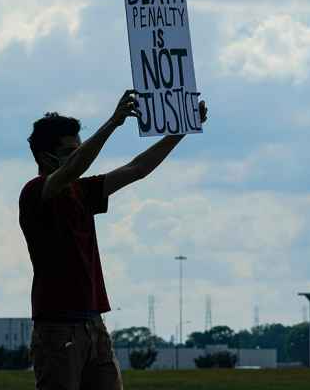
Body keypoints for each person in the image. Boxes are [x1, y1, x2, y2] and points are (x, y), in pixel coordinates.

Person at [19, 89, 207, 389]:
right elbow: (75, 167)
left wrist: (182, 129)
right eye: (71, 150)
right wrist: (112, 123)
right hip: (57, 328)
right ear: (45, 157)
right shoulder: (35, 192)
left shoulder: (82, 191)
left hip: (94, 323)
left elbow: (138, 168)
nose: (79, 154)